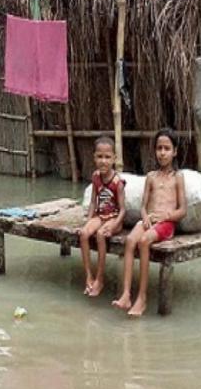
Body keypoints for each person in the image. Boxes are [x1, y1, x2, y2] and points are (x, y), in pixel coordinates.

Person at [113, 129, 187, 317]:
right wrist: (145, 216)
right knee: (130, 241)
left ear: (174, 152)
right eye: (159, 148)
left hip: (166, 224)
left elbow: (182, 210)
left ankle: (142, 298)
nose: (162, 152)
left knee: (144, 241)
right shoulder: (151, 177)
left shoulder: (178, 178)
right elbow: (143, 206)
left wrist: (166, 216)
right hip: (149, 220)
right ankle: (126, 294)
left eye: (167, 148)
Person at [77, 136, 126, 298]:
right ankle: (88, 276)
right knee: (84, 234)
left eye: (107, 157)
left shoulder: (117, 182)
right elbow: (93, 202)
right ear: (94, 157)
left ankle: (100, 278)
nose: (103, 161)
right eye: (99, 157)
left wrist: (113, 225)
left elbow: (123, 210)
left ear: (114, 159)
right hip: (100, 215)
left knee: (100, 235)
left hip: (114, 218)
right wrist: (88, 220)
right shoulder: (96, 177)